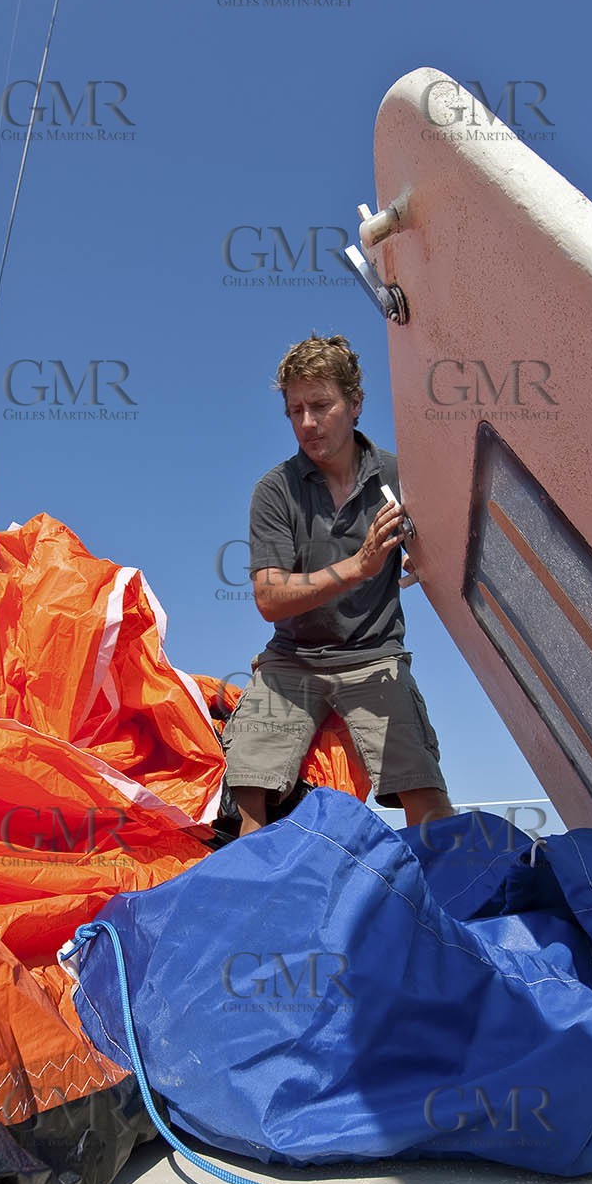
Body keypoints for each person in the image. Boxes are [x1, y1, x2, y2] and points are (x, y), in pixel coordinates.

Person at [223, 332, 454, 835]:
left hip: (376, 656)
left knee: (425, 792)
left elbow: (454, 551)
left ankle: (443, 903)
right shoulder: (274, 490)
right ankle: (256, 904)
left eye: (321, 405)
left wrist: (430, 560)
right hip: (290, 661)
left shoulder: (403, 476)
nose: (306, 423)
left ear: (355, 405)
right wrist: (360, 565)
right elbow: (269, 599)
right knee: (248, 795)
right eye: (295, 410)